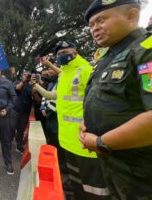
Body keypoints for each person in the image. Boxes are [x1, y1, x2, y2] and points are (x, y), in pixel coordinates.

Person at [80, 0, 152, 199]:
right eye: (91, 25)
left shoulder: (145, 50)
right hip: (115, 166)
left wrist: (100, 142)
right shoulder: (108, 57)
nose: (95, 29)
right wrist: (87, 124)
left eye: (101, 20)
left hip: (142, 173)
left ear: (131, 15)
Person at [55, 40, 110, 199]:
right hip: (67, 139)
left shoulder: (86, 70)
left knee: (94, 189)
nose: (62, 56)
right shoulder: (63, 74)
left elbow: (100, 101)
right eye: (59, 54)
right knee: (76, 182)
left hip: (85, 141)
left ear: (75, 53)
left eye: (65, 52)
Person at [13, 70, 34, 153]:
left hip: (25, 111)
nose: (27, 76)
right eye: (25, 74)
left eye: (28, 75)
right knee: (12, 128)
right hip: (16, 110)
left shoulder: (31, 85)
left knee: (21, 129)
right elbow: (17, 88)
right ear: (22, 75)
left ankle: (19, 146)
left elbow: (33, 95)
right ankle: (8, 141)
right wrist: (24, 81)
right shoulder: (18, 82)